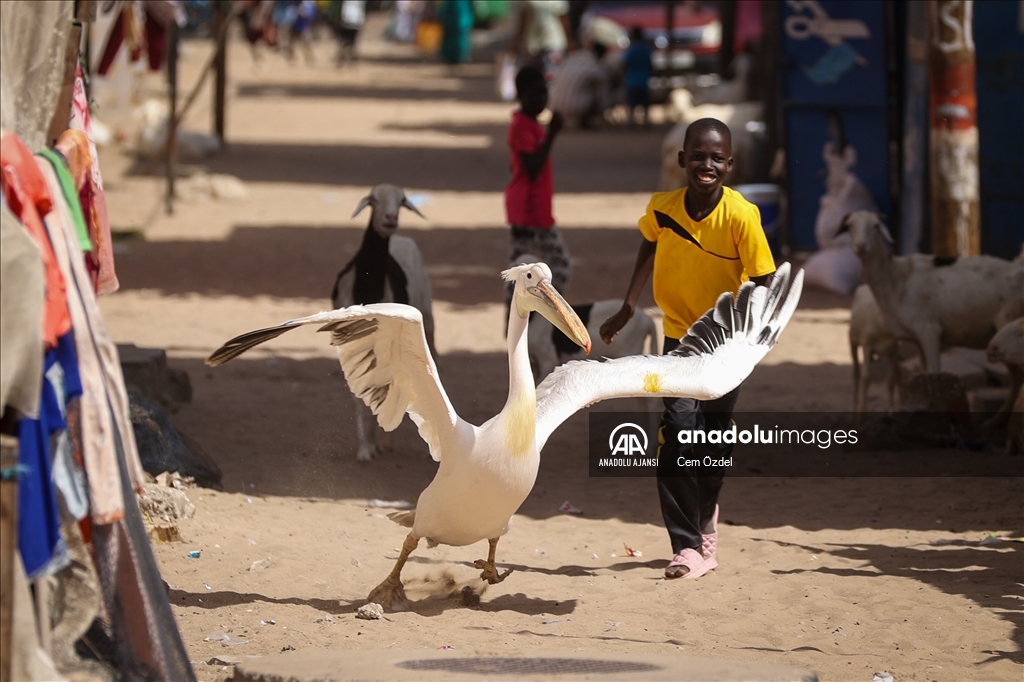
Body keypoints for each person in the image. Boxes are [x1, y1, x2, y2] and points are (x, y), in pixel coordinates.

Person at [599, 118, 775, 580]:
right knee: (677, 433)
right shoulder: (663, 208)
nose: (707, 165)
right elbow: (648, 247)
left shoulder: (741, 216)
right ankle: (688, 546)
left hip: (727, 345)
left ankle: (705, 523)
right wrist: (628, 307)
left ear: (730, 165)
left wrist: (750, 336)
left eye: (717, 157)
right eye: (698, 155)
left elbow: (764, 280)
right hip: (679, 339)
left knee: (712, 438)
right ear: (681, 160)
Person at [504, 65, 571, 314]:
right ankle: (541, 316)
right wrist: (552, 133)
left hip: (533, 208)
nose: (541, 100)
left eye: (544, 94)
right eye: (535, 95)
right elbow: (532, 167)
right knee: (558, 266)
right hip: (529, 211)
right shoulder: (522, 125)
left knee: (525, 270)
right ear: (520, 95)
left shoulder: (529, 124)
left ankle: (530, 316)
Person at [548, 41, 612, 129]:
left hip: (555, 104)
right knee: (598, 87)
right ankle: (596, 119)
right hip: (576, 107)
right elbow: (605, 79)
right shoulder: (592, 62)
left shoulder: (570, 59)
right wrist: (604, 107)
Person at [508, 0, 574, 80]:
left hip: (553, 43)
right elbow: (524, 19)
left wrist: (569, 40)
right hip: (533, 46)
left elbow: (563, 19)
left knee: (552, 78)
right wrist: (517, 41)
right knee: (534, 79)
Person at [622, 26, 653, 127]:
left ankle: (631, 121)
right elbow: (650, 64)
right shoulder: (646, 49)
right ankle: (645, 121)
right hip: (643, 80)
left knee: (632, 104)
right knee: (644, 103)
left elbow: (625, 64)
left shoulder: (631, 50)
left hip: (632, 81)